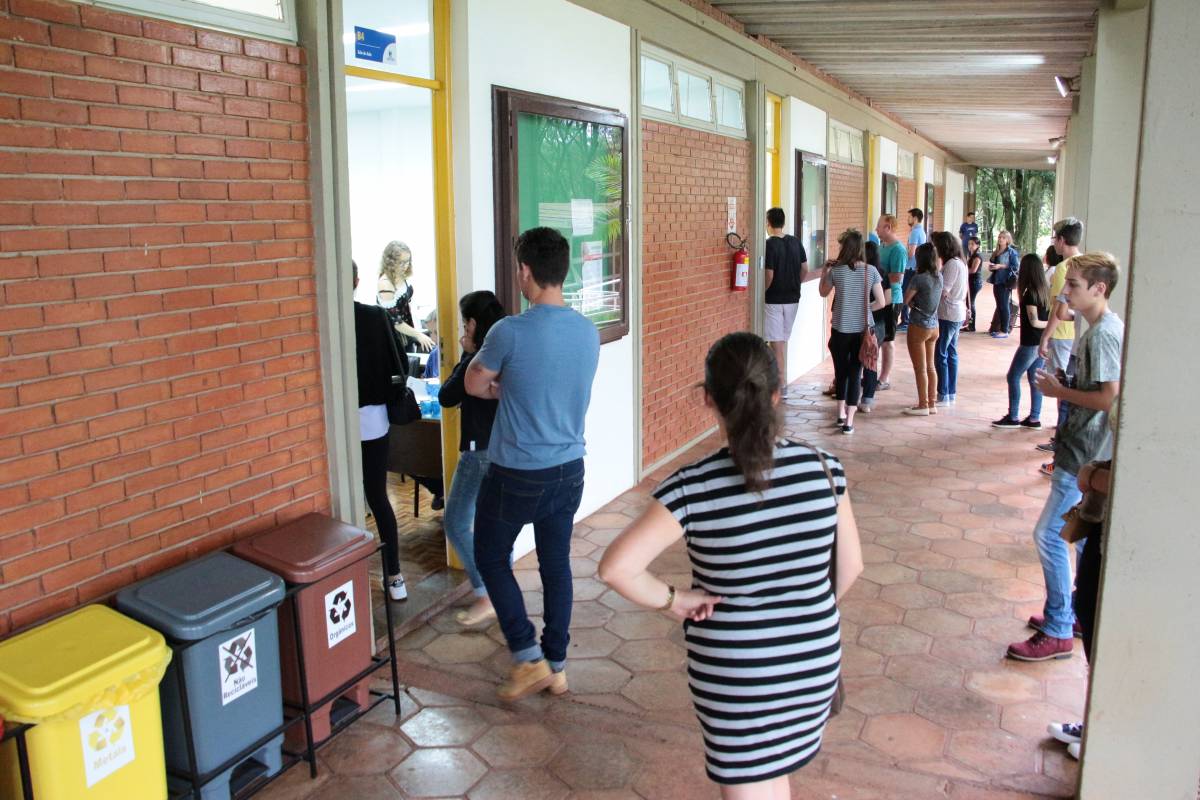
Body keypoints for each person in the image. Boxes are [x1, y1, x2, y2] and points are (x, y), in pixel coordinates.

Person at [598, 332, 864, 799]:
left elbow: (616, 568)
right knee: (772, 773)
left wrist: (675, 601)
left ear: (707, 398)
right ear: (776, 395)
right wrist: (799, 607)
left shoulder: (691, 486)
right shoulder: (825, 469)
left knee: (751, 779)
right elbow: (852, 568)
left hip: (738, 673)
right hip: (813, 660)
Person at [466, 226, 600, 701]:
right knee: (555, 564)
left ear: (525, 271)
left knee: (489, 556)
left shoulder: (509, 331)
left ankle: (527, 657)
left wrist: (503, 388)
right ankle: (556, 665)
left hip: (517, 473)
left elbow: (474, 384)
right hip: (570, 469)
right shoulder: (587, 332)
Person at [1007, 253, 1122, 662]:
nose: (1065, 291)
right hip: (1082, 449)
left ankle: (1058, 627)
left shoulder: (1103, 334)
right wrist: (1066, 386)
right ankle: (1072, 612)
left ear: (1099, 289)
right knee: (1079, 536)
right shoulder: (1096, 329)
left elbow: (1108, 398)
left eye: (1073, 285)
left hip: (1083, 453)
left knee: (1049, 536)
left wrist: (1060, 393)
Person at [439, 291, 505, 627]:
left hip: (480, 452)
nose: (463, 329)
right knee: (496, 526)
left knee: (455, 522)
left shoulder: (477, 360)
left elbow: (446, 395)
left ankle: (486, 593)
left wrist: (466, 354)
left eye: (465, 324)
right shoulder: (505, 350)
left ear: (474, 324)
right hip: (505, 450)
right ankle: (500, 592)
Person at [352, 260, 408, 602]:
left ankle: (346, 580)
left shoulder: (320, 318)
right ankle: (395, 575)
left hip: (333, 422)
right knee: (377, 496)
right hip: (373, 418)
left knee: (342, 502)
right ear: (357, 280)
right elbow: (398, 362)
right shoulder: (375, 317)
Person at [818, 230, 887, 435]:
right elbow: (881, 302)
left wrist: (824, 271)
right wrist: (865, 309)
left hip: (840, 329)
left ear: (845, 248)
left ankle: (840, 413)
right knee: (855, 373)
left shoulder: (836, 271)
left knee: (840, 372)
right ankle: (849, 421)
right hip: (862, 331)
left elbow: (822, 292)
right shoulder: (871, 271)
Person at [1036, 218, 1084, 463]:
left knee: (1061, 389)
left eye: (1055, 238)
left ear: (1062, 240)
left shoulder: (1065, 267)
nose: (1054, 242)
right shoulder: (1084, 262)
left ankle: (1060, 440)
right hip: (1073, 337)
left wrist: (1045, 337)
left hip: (1062, 336)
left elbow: (1058, 308)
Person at [992, 254, 1051, 429]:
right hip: (1040, 342)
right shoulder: (1044, 291)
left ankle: (1013, 416)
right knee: (1034, 379)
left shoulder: (1030, 294)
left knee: (1013, 376)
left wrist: (1049, 324)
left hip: (1030, 344)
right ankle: (1034, 418)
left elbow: (1034, 321)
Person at [763, 207, 808, 394]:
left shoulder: (769, 245)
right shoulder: (796, 242)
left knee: (777, 344)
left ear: (768, 223)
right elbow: (805, 269)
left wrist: (762, 293)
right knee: (781, 342)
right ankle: (781, 381)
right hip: (793, 299)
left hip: (773, 300)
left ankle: (781, 385)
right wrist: (796, 284)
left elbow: (769, 275)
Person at [902, 242, 942, 416]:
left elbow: (906, 299)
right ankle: (932, 403)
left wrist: (912, 303)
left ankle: (923, 405)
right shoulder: (939, 276)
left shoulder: (919, 278)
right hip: (934, 326)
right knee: (931, 367)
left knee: (920, 368)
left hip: (918, 325)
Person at [378, 241, 435, 353]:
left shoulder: (402, 277)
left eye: (407, 261)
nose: (405, 266)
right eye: (401, 262)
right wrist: (418, 335)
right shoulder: (385, 283)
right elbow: (395, 321)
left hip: (408, 333)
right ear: (390, 262)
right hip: (394, 339)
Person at [932, 232, 967, 405]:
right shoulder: (959, 262)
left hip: (949, 314)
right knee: (951, 352)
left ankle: (943, 392)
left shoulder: (952, 264)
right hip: (955, 313)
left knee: (941, 353)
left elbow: (944, 291)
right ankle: (950, 391)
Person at [875, 214, 907, 390]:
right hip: (879, 298)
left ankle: (884, 378)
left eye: (879, 226)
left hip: (892, 299)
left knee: (887, 340)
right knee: (876, 337)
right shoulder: (881, 247)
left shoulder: (898, 250)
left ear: (888, 227)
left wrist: (878, 277)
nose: (876, 229)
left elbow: (897, 278)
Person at [858, 240, 889, 412]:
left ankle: (853, 395)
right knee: (871, 361)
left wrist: (864, 309)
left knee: (859, 360)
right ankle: (867, 400)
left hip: (865, 323)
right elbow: (887, 298)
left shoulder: (859, 272)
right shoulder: (882, 272)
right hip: (879, 323)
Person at [986, 231, 1020, 337]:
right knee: (999, 305)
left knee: (1004, 305)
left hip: (1005, 281)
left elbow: (1015, 267)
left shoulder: (1011, 252)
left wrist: (1001, 266)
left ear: (1008, 240)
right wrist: (992, 267)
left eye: (1003, 238)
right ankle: (1000, 328)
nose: (1000, 239)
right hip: (996, 280)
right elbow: (993, 263)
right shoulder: (996, 251)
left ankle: (1005, 330)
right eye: (999, 237)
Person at [899, 208, 927, 329]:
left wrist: (900, 254)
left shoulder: (915, 232)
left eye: (909, 217)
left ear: (915, 218)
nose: (908, 219)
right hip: (916, 267)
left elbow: (911, 253)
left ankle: (905, 320)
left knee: (905, 293)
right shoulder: (921, 231)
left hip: (911, 268)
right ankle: (908, 320)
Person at [964, 237, 984, 332]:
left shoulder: (977, 257)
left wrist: (962, 270)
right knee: (968, 303)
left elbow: (973, 270)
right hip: (970, 281)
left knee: (970, 303)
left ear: (978, 245)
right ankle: (968, 323)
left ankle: (971, 326)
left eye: (972, 244)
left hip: (975, 282)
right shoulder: (970, 255)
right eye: (969, 244)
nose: (970, 246)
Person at [421, 309, 440, 379]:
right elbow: (426, 379)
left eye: (437, 332)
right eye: (430, 332)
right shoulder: (434, 354)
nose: (433, 339)